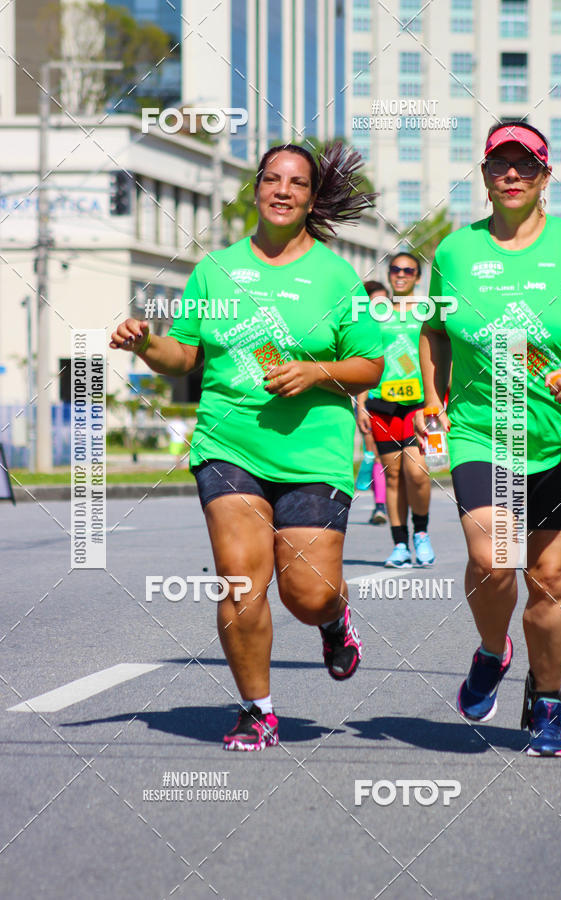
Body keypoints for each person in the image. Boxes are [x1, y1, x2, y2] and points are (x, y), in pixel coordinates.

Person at [110, 142, 383, 751]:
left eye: (297, 183)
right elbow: (185, 354)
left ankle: (333, 622)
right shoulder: (215, 270)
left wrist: (314, 374)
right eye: (272, 180)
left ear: (312, 199)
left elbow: (371, 364)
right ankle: (257, 709)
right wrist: (146, 345)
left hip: (315, 451)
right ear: (256, 189)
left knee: (307, 594)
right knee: (239, 581)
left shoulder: (336, 276)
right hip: (228, 443)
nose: (283, 190)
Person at [417, 121, 561, 757]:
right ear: (487, 175)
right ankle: (493, 652)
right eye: (501, 165)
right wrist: (432, 396)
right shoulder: (454, 253)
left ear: (547, 176)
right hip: (483, 432)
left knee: (551, 579)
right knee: (495, 559)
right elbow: (436, 333)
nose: (513, 175)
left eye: (526, 165)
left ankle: (546, 700)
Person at [357, 254, 435, 567]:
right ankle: (400, 545)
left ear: (418, 277)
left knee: (416, 473)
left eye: (408, 271)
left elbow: (442, 356)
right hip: (382, 403)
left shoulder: (428, 311)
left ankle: (422, 533)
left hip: (419, 406)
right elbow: (366, 357)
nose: (400, 275)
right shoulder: (376, 312)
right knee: (392, 478)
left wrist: (434, 402)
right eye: (395, 270)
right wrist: (361, 403)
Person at [355, 280, 388, 525]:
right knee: (375, 454)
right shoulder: (361, 330)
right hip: (373, 399)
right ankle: (380, 505)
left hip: (404, 401)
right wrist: (362, 406)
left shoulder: (400, 326)